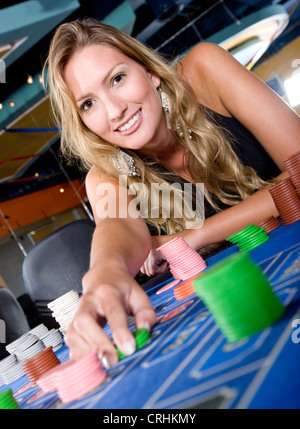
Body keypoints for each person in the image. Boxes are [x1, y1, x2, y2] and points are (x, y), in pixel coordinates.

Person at [44, 18, 300, 367]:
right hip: (241, 301)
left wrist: (191, 236)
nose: (115, 111)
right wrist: (105, 272)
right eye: (88, 103)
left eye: (118, 79)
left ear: (150, 72)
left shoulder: (206, 72)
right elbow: (116, 229)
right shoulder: (107, 175)